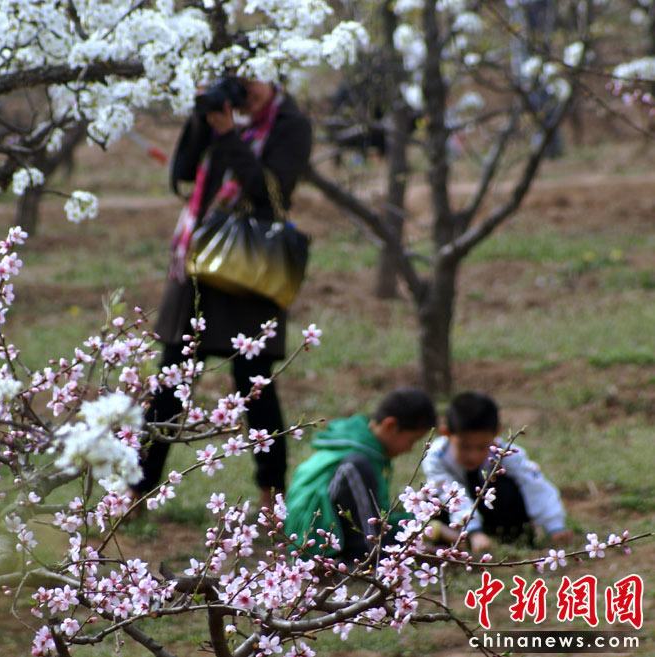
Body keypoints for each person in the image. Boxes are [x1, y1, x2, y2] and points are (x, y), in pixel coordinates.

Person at [135, 76, 312, 506]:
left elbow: (271, 193)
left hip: (248, 270)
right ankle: (136, 489)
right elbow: (182, 173)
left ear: (272, 76)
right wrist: (204, 119)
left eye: (255, 82)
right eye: (241, 81)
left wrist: (229, 135)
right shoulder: (222, 118)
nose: (248, 92)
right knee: (170, 380)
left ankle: (272, 494)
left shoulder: (290, 124)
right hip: (199, 263)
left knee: (254, 385)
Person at [284, 388, 437, 563]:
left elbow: (377, 513)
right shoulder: (357, 460)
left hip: (331, 529)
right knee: (356, 468)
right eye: (412, 441)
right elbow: (372, 523)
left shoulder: (366, 445)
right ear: (390, 426)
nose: (410, 449)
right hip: (314, 539)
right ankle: (368, 554)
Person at [422, 392, 571, 554]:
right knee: (430, 499)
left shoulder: (506, 454)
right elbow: (450, 493)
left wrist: (555, 526)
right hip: (457, 516)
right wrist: (472, 531)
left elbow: (535, 486)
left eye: (481, 447)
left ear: (497, 433)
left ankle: (514, 538)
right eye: (465, 447)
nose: (473, 456)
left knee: (507, 487)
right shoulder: (436, 457)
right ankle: (455, 541)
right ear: (446, 433)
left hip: (497, 514)